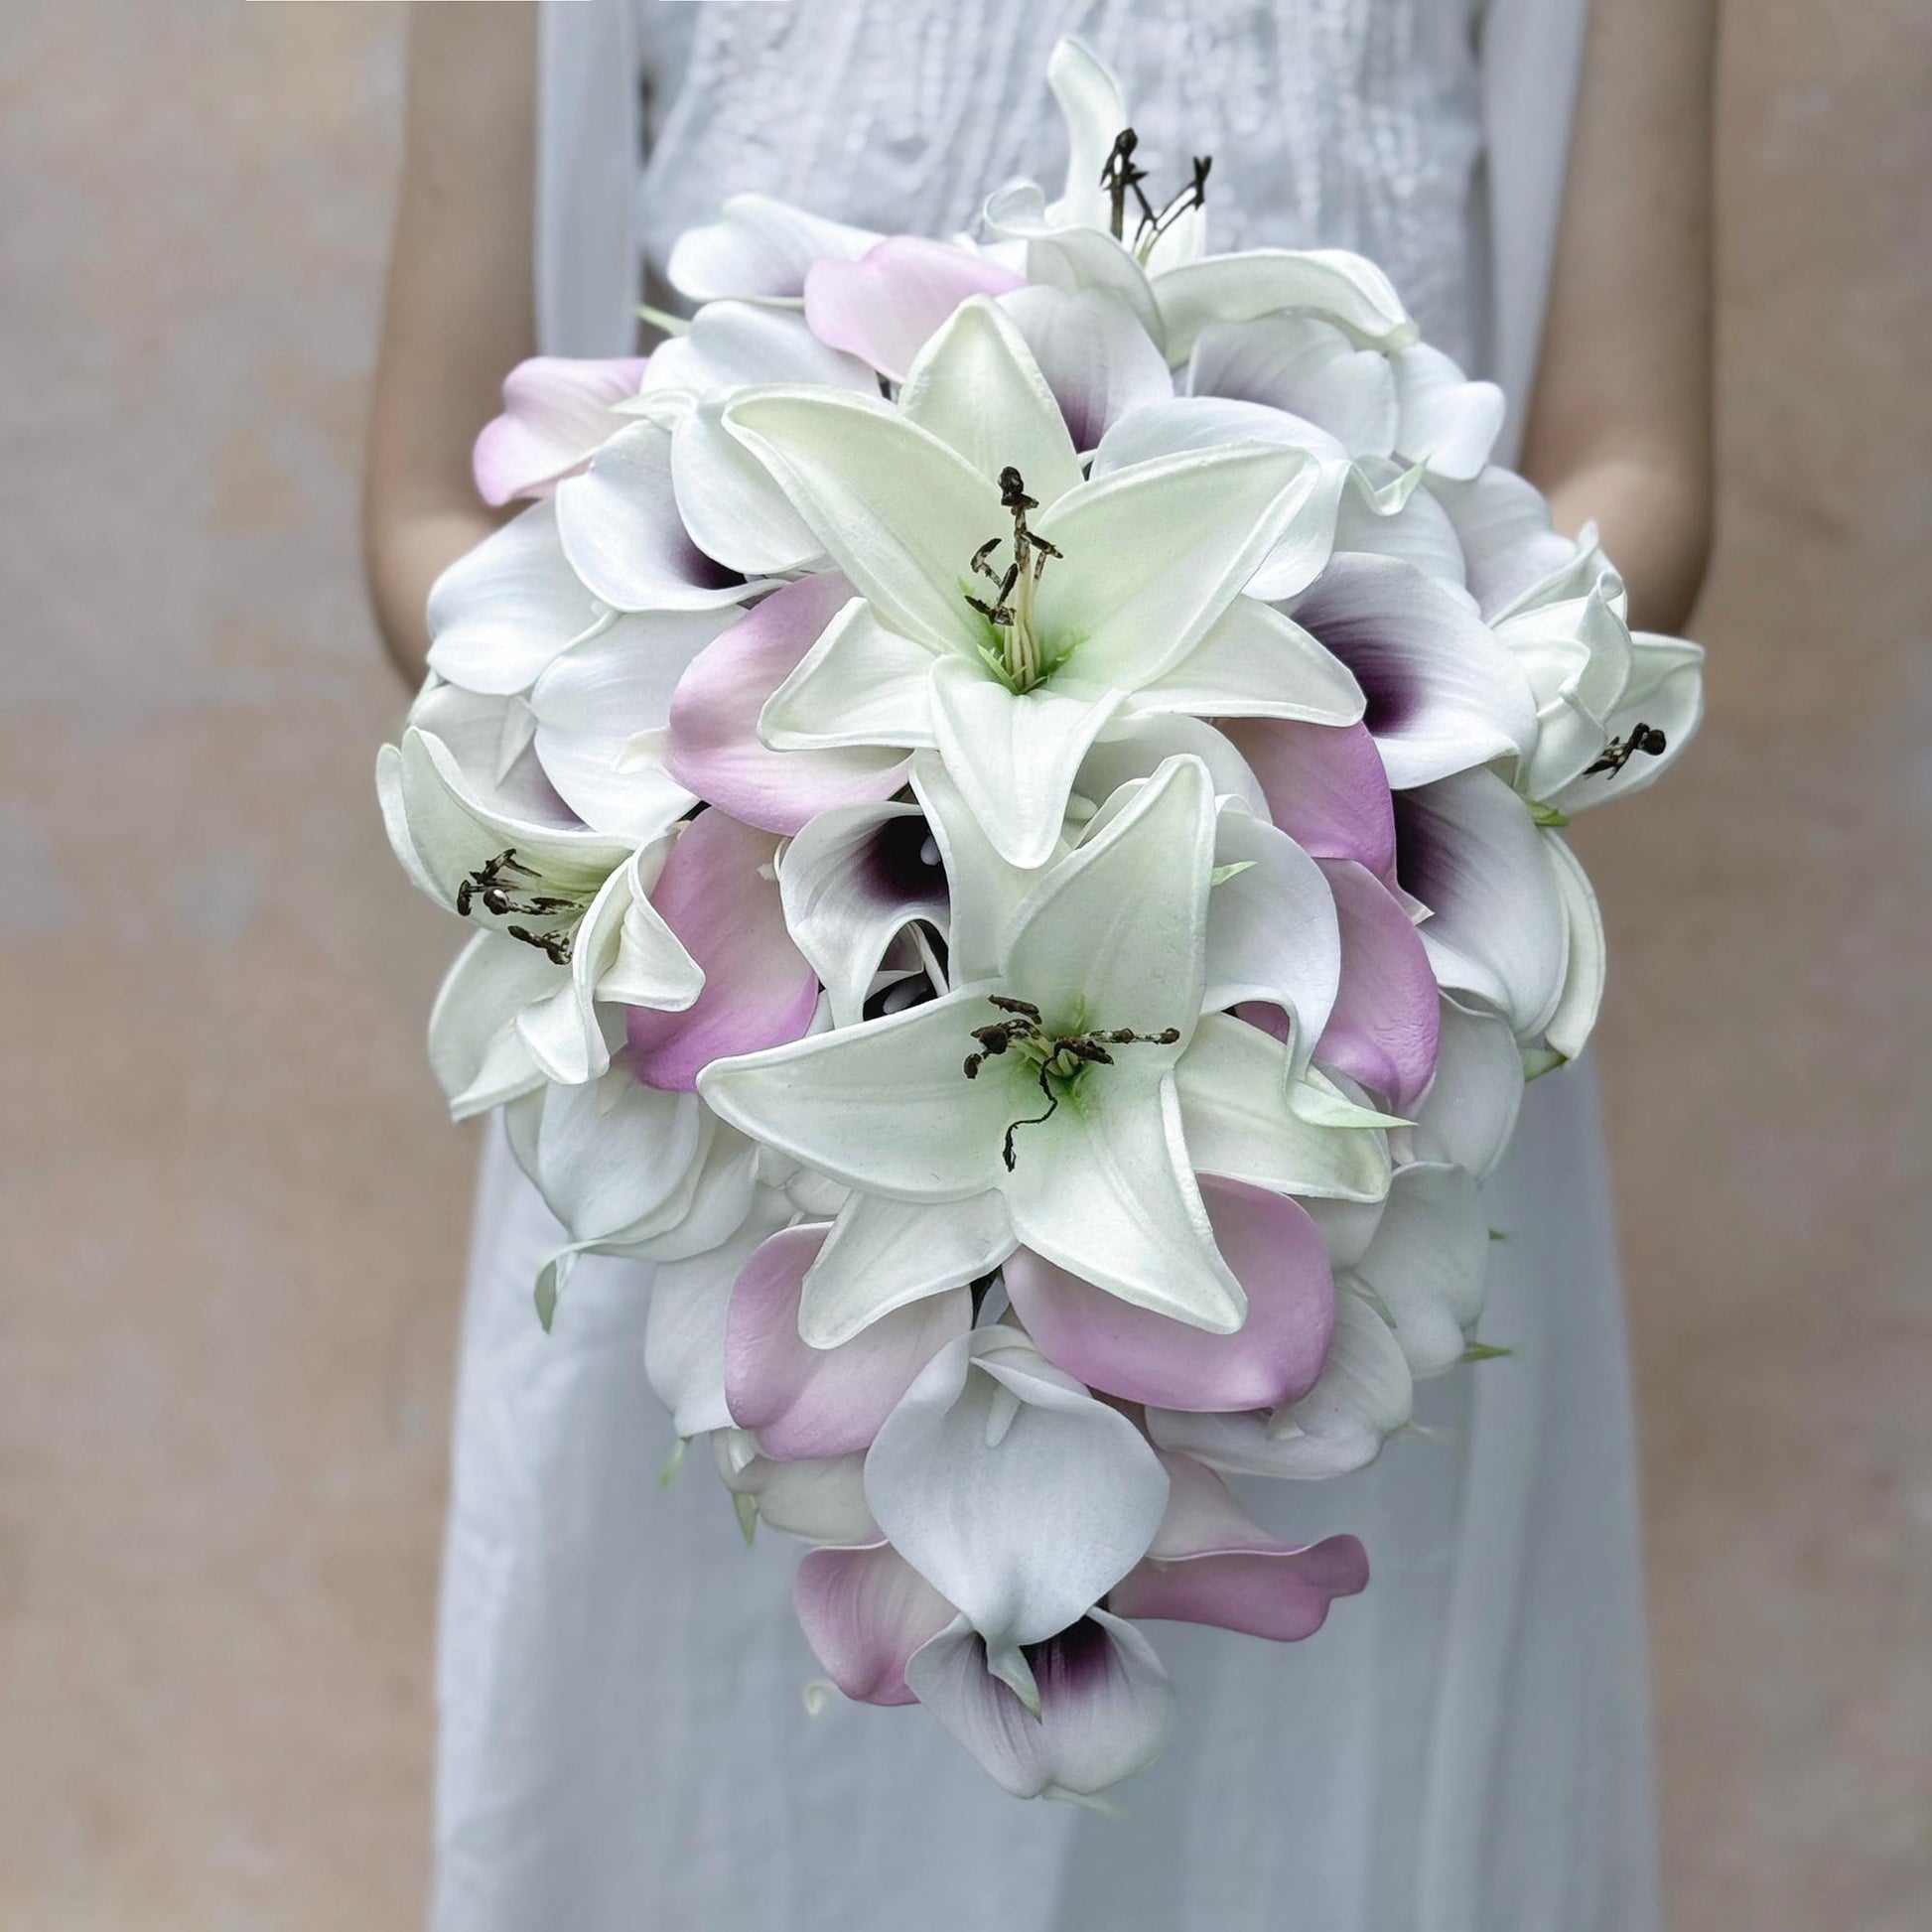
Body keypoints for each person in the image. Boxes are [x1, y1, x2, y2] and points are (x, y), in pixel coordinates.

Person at [364, 4, 1714, 1927]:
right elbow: (435, 508)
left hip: (1337, 1082)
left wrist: (1244, 774)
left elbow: (1633, 470)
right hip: (734, 1091)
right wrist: (805, 783)